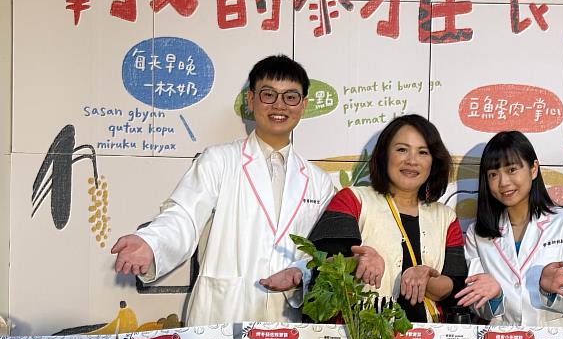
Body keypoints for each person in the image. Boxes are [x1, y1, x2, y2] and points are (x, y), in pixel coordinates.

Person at [111, 54, 335, 325]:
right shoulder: (219, 160)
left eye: (290, 97)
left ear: (303, 106)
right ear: (251, 100)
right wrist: (152, 242)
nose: (279, 105)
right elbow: (183, 216)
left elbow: (325, 251)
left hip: (286, 320)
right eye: (268, 95)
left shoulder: (319, 181)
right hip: (221, 316)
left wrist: (300, 273)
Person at [305, 114, 467, 322]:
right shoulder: (352, 199)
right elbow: (320, 268)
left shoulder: (446, 217)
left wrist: (427, 278)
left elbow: (455, 286)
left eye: (423, 152)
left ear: (434, 161)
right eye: (401, 149)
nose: (412, 160)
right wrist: (358, 262)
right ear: (384, 155)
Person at [455, 131, 563, 326]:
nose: (503, 182)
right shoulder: (478, 233)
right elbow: (478, 305)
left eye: (512, 170)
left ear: (533, 169)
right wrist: (495, 296)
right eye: (493, 174)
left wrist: (550, 290)